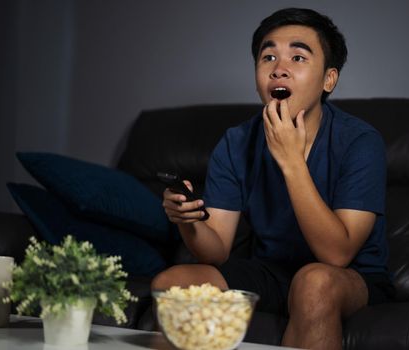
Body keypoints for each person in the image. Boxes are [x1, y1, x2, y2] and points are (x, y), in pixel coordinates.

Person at [152, 7, 394, 350]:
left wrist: (291, 162)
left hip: (349, 277)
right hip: (271, 272)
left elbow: (337, 254)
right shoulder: (237, 141)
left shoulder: (360, 142)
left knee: (314, 283)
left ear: (329, 79)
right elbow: (216, 249)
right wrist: (187, 220)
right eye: (268, 57)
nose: (279, 69)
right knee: (173, 282)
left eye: (298, 57)